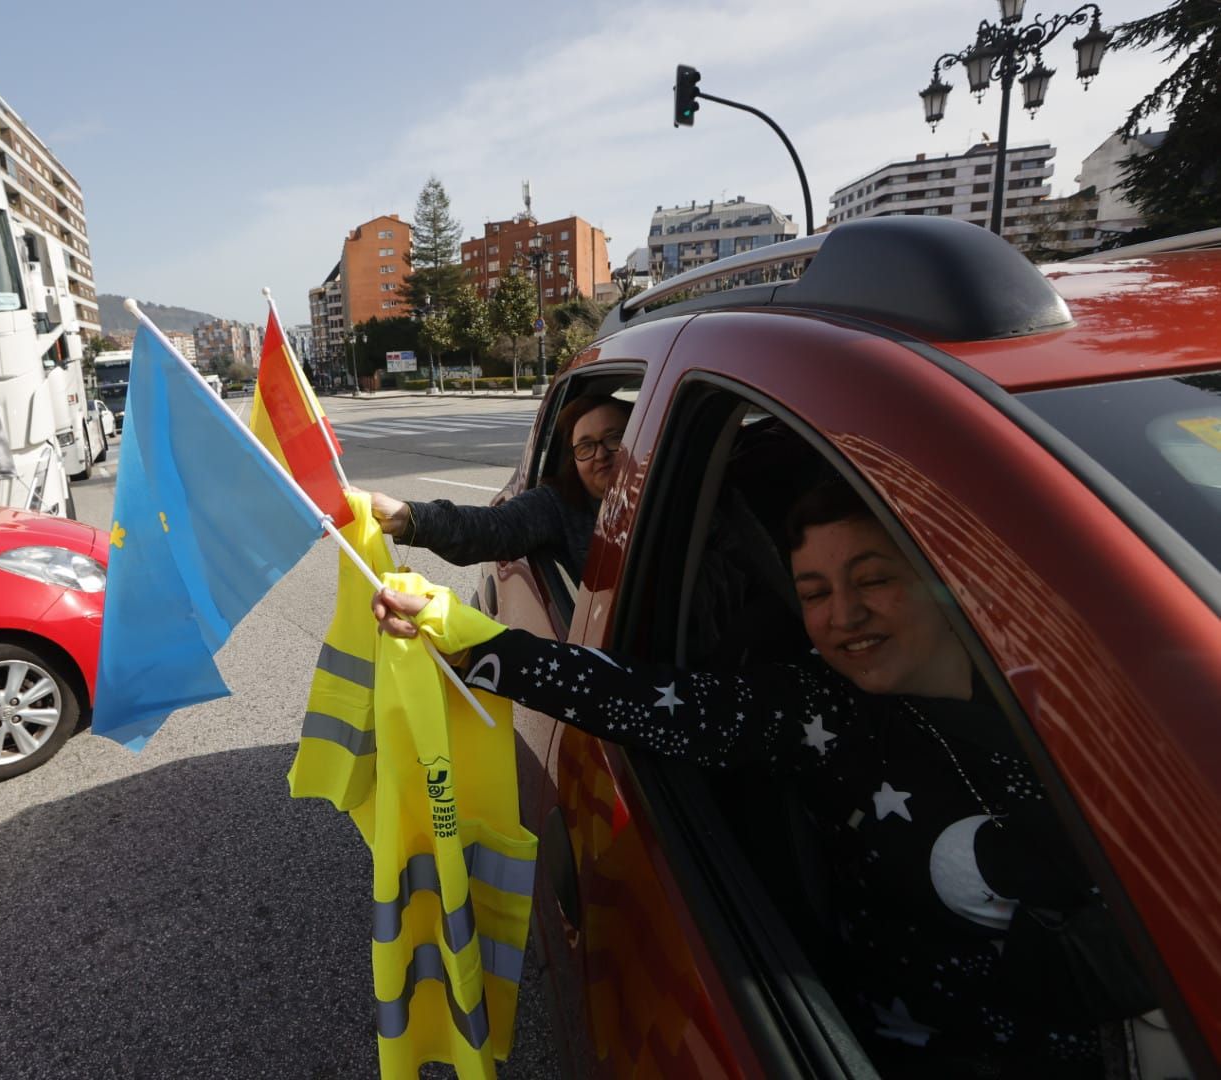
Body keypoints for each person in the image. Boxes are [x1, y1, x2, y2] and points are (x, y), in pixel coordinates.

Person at [373, 479, 1152, 1077]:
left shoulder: (1091, 704)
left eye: (872, 578)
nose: (843, 614)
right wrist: (466, 641)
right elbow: (649, 700)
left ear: (938, 579)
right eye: (814, 593)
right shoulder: (812, 708)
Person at [365, 394, 632, 580]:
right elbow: (489, 528)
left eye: (614, 438)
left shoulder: (669, 494)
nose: (600, 454)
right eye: (585, 446)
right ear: (572, 460)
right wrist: (404, 516)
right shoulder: (557, 505)